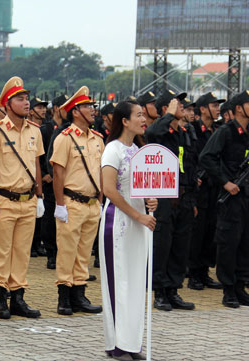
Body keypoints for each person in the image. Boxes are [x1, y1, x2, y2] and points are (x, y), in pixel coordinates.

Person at [200, 90, 249, 308]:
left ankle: (241, 287)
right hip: (232, 198)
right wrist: (225, 182)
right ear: (239, 108)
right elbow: (206, 158)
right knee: (229, 243)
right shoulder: (226, 131)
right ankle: (229, 289)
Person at [100, 100, 156, 361]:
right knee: (118, 282)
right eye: (138, 115)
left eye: (143, 115)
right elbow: (109, 190)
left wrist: (150, 201)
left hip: (139, 224)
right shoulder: (113, 149)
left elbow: (143, 188)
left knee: (136, 283)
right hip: (118, 224)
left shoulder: (139, 150)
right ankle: (117, 345)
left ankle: (133, 343)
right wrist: (137, 215)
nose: (143, 119)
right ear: (124, 120)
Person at [0, 76, 44, 319]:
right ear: (7, 105)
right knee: (1, 251)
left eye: (27, 98)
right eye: (20, 99)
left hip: (27, 200)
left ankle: (18, 297)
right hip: (4, 199)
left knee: (21, 251)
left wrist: (39, 195)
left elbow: (37, 164)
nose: (26, 103)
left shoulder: (35, 131)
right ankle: (0, 298)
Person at [50, 86, 104, 316]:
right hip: (71, 202)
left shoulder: (98, 139)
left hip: (92, 203)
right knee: (67, 252)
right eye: (87, 106)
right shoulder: (65, 139)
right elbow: (58, 174)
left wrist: (100, 199)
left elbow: (101, 172)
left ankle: (79, 294)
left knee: (83, 252)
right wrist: (60, 204)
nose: (93, 110)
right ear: (75, 111)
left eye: (93, 106)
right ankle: (64, 297)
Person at [145, 90, 197, 312]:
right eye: (178, 104)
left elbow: (190, 166)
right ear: (165, 109)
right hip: (165, 197)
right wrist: (168, 116)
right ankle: (160, 292)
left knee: (180, 246)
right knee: (162, 246)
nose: (183, 108)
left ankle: (174, 289)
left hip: (184, 196)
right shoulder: (160, 131)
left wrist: (193, 199)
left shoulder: (184, 133)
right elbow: (152, 132)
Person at [188, 92, 225, 291]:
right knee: (198, 230)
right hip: (199, 187)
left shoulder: (217, 130)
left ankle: (205, 271)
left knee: (211, 229)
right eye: (213, 105)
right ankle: (194, 272)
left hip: (214, 187)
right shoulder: (193, 129)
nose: (217, 108)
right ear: (202, 109)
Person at [43, 94, 70, 270]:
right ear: (56, 109)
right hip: (49, 179)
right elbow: (40, 154)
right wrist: (47, 173)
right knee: (50, 218)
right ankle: (51, 253)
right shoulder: (46, 129)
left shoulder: (70, 131)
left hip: (66, 180)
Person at [29, 97, 49, 258]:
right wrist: (42, 175)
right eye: (39, 107)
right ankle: (33, 245)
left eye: (44, 107)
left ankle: (37, 243)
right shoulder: (35, 129)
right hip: (36, 177)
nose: (43, 110)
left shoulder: (45, 128)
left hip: (42, 177)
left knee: (40, 215)